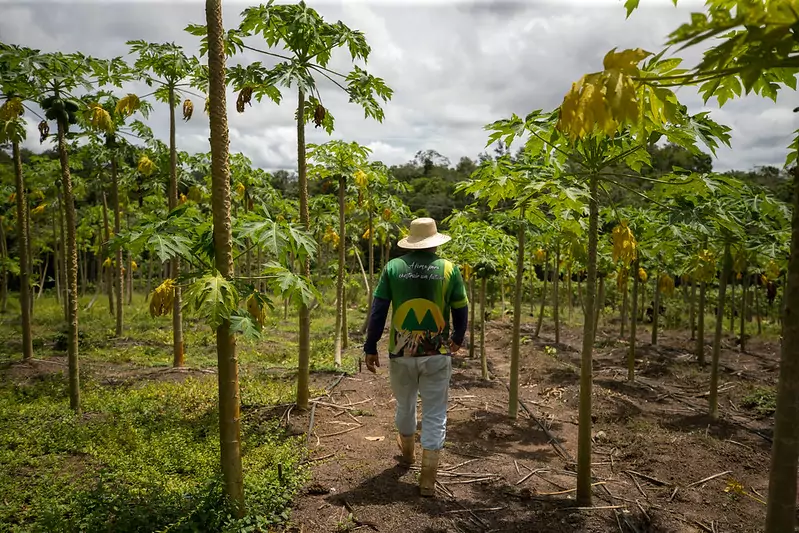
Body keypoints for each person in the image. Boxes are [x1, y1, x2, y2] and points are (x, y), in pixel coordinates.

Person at [363, 217, 468, 497]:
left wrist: (370, 345)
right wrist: (457, 338)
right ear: (434, 242)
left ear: (410, 240)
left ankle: (407, 455)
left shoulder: (393, 268)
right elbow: (461, 308)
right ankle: (427, 480)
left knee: (405, 404)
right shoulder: (449, 269)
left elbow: (378, 311)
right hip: (437, 354)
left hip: (401, 353)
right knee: (435, 413)